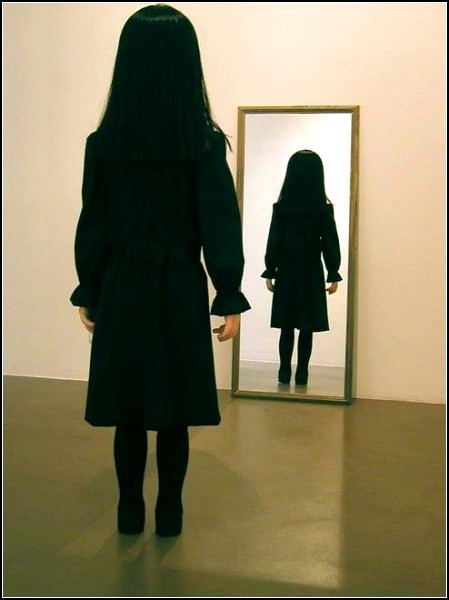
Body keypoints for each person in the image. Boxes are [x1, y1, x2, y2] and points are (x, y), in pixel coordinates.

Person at [70, 4, 250, 537]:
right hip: (178, 287)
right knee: (174, 410)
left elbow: (93, 223)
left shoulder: (105, 145)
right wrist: (228, 291)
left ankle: (129, 511)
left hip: (122, 284)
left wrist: (90, 288)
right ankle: (170, 513)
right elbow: (220, 222)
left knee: (128, 407)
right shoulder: (202, 143)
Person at [261, 150, 342, 386]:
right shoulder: (323, 209)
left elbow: (274, 240)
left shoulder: (282, 208)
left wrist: (271, 269)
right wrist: (333, 271)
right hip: (311, 270)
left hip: (287, 269)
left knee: (286, 326)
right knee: (307, 326)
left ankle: (284, 370)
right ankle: (303, 372)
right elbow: (329, 241)